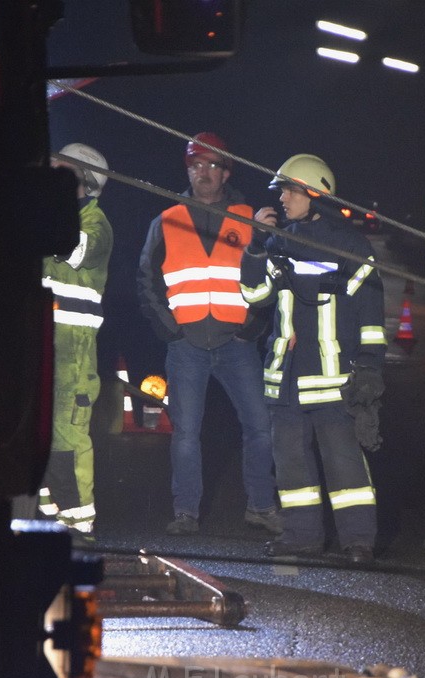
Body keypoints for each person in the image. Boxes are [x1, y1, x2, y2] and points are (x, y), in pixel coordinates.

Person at [240, 153, 387, 564]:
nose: (283, 198)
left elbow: (370, 314)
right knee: (291, 467)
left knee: (345, 466)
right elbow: (254, 297)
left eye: (289, 190)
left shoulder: (351, 247)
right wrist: (254, 248)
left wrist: (371, 366)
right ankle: (302, 537)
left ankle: (358, 541)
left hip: (333, 378)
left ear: (315, 195)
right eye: (282, 191)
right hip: (285, 381)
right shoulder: (276, 242)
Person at [137, 132, 281, 536]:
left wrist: (252, 327)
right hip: (187, 347)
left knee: (260, 426)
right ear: (188, 169)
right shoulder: (166, 221)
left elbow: (268, 276)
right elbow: (147, 281)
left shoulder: (248, 216)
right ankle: (186, 512)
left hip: (237, 344)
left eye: (212, 165)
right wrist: (170, 330)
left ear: (225, 171)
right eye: (196, 164)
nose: (203, 172)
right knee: (186, 432)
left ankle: (261, 506)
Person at [36, 142, 113, 538]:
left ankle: (79, 525)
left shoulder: (96, 224)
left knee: (66, 435)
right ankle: (52, 519)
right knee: (42, 434)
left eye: (59, 170)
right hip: (43, 344)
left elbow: (73, 248)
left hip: (73, 352)